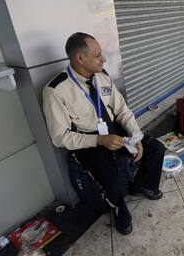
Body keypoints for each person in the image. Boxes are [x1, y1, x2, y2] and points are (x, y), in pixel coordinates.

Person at [42, 32, 165, 235]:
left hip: (113, 130)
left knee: (155, 149)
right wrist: (100, 140)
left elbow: (122, 110)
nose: (104, 58)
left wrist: (137, 135)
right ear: (80, 58)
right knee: (113, 183)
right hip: (89, 141)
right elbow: (59, 137)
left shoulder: (102, 76)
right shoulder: (56, 90)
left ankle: (142, 185)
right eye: (98, 55)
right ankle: (120, 211)